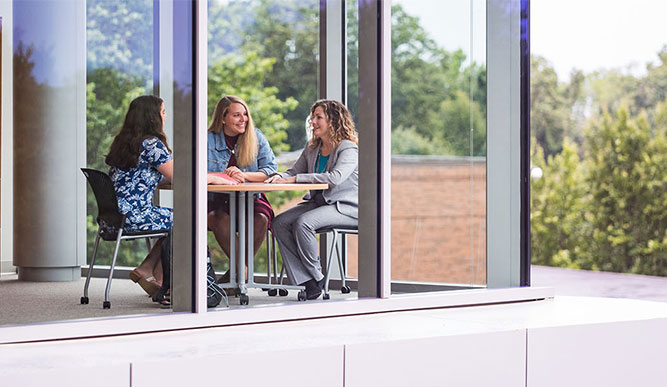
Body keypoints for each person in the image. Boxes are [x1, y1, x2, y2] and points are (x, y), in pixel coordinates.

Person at [105, 95, 233, 305]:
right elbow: (181, 177)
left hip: (115, 215)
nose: (165, 116)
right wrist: (213, 178)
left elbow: (148, 173)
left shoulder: (126, 142)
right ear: (153, 117)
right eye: (163, 112)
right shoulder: (151, 144)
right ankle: (165, 283)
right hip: (134, 215)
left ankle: (148, 269)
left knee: (177, 218)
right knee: (188, 220)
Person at [267, 100, 358, 300]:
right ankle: (308, 281)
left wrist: (294, 179)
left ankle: (317, 278)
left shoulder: (348, 149)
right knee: (279, 223)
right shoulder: (313, 148)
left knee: (304, 223)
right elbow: (293, 171)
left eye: (319, 117)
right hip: (319, 204)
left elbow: (335, 178)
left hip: (345, 207)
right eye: (313, 117)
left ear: (334, 121)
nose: (313, 122)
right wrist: (280, 177)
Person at [207, 95, 278, 282]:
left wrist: (244, 175)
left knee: (261, 218)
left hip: (251, 198)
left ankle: (237, 273)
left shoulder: (256, 137)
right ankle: (242, 270)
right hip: (217, 199)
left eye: (245, 114)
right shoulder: (207, 139)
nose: (243, 119)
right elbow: (198, 172)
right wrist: (222, 178)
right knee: (216, 217)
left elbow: (269, 171)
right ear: (222, 118)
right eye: (237, 115)